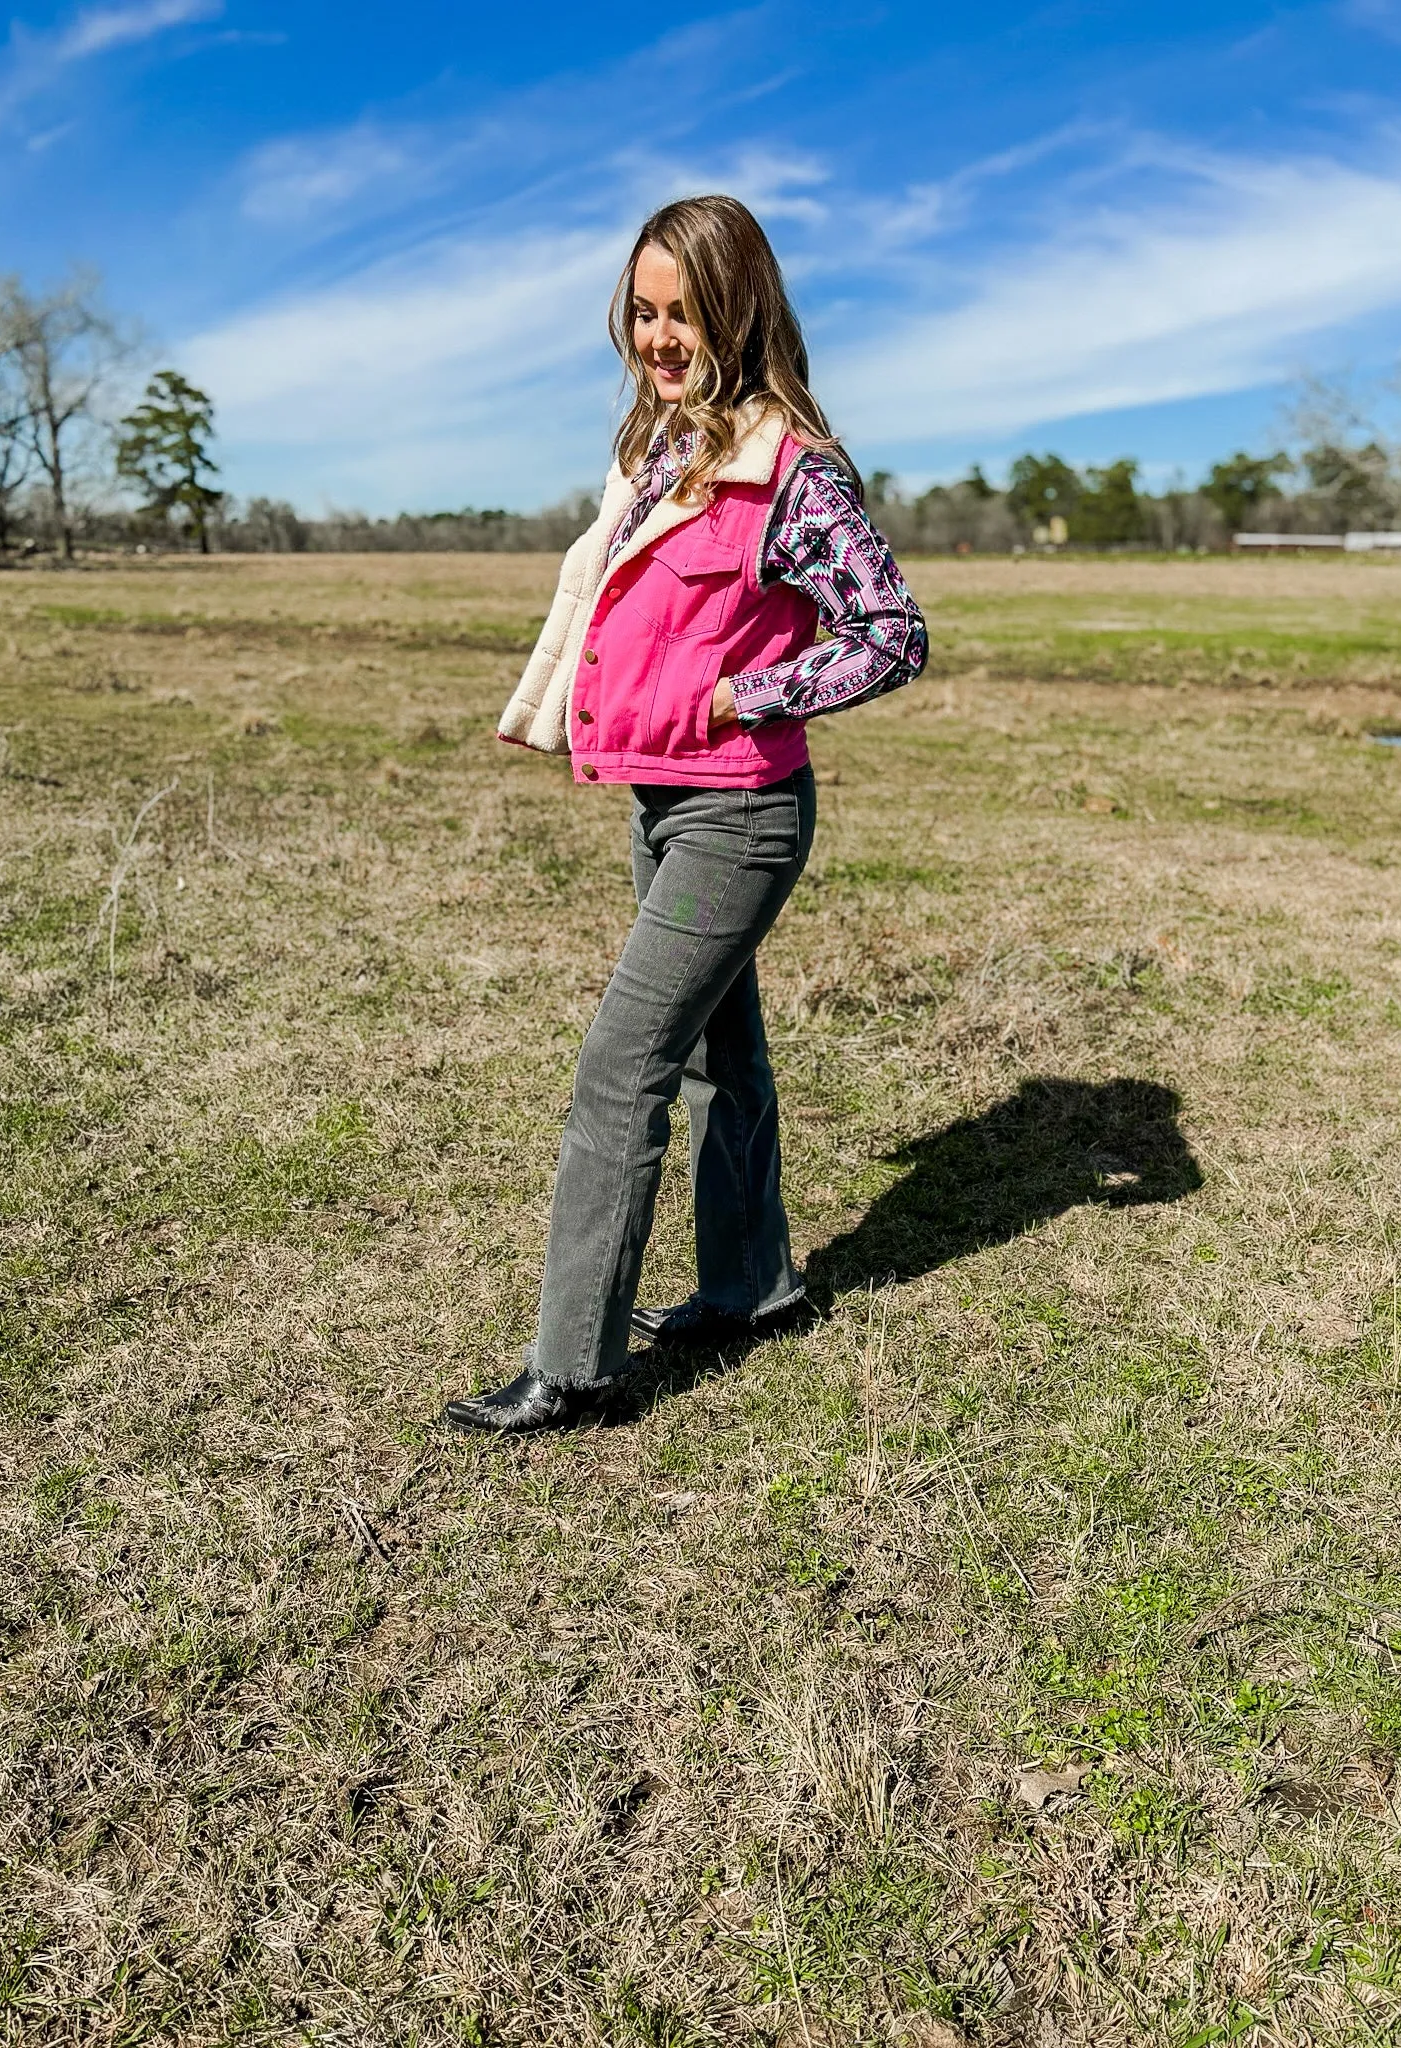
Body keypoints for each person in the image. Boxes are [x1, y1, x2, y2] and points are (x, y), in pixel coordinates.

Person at [445, 194, 927, 1435]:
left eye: (684, 312)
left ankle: (575, 1368)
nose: (660, 337)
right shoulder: (663, 447)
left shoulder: (793, 470)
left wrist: (739, 691)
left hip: (741, 814)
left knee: (622, 1069)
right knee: (722, 1055)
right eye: (644, 312)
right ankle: (751, 1286)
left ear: (739, 307)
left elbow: (891, 634)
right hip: (663, 799)